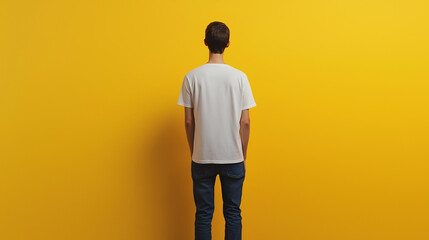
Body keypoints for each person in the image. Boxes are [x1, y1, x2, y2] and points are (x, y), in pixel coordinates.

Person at [177, 21, 256, 240]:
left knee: (203, 214)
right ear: (228, 43)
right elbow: (246, 122)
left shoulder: (191, 77)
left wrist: (195, 150)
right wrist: (243, 152)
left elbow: (188, 122)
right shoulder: (240, 77)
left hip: (202, 157)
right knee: (232, 213)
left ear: (205, 43)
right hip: (232, 156)